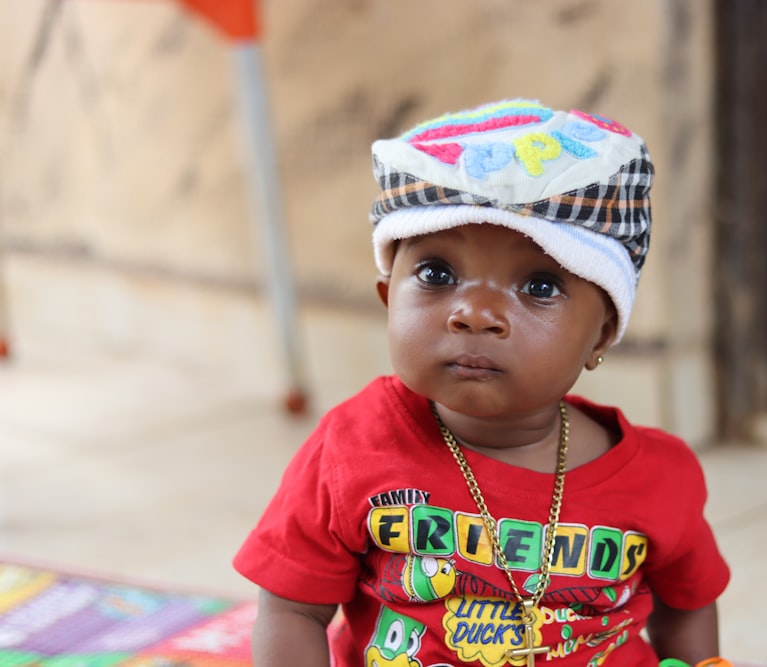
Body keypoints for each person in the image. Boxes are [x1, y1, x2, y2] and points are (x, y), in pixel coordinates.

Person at [234, 99, 731, 666]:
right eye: (436, 274)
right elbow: (292, 609)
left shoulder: (657, 477)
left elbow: (688, 602)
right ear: (387, 298)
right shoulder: (351, 449)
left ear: (601, 336)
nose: (475, 313)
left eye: (540, 286)